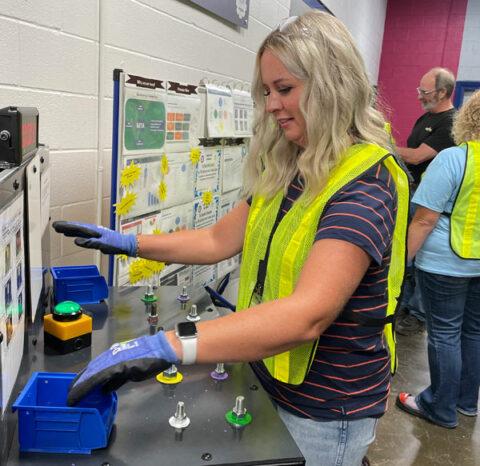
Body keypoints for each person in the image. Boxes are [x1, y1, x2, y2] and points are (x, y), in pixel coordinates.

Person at [53, 12, 409, 466]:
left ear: (332, 83)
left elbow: (308, 315)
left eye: (285, 89)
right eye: (266, 91)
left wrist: (170, 346)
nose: (272, 105)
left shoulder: (365, 182)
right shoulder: (292, 165)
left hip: (323, 412)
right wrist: (129, 244)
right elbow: (217, 240)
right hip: (265, 375)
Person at [396, 89, 480, 428]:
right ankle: (465, 402)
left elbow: (425, 219)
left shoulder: (453, 158)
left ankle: (439, 407)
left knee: (444, 332)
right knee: (473, 331)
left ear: (468, 117)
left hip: (446, 263)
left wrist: (399, 261)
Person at [395, 67, 456, 336]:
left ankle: (419, 314)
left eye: (425, 91)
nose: (419, 96)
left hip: (429, 202)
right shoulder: (426, 118)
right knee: (408, 256)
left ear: (442, 92)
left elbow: (418, 156)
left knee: (419, 257)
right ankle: (405, 306)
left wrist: (381, 145)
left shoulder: (449, 122)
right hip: (413, 194)